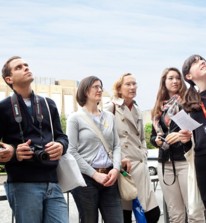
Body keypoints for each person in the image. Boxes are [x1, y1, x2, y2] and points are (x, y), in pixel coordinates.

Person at [0, 56, 69, 223]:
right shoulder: (3, 107)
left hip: (53, 182)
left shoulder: (49, 104)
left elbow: (62, 137)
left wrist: (60, 145)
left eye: (26, 65)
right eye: (19, 67)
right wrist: (14, 152)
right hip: (22, 184)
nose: (25, 68)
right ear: (9, 79)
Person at [150, 67, 205, 223]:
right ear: (164, 82)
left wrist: (182, 136)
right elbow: (153, 137)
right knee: (176, 215)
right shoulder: (158, 107)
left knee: (195, 212)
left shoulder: (190, 102)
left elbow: (198, 130)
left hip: (186, 161)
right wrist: (157, 140)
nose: (175, 81)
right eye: (170, 78)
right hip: (164, 163)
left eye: (178, 78)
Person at [67, 76, 125, 223]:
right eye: (95, 87)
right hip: (85, 180)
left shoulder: (110, 117)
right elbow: (71, 151)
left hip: (110, 177)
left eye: (101, 86)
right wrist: (94, 175)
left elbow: (117, 146)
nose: (100, 90)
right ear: (85, 91)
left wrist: (116, 169)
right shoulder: (75, 118)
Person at [104, 73, 160, 223]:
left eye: (134, 84)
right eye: (128, 84)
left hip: (140, 165)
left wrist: (143, 152)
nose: (132, 87)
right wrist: (118, 159)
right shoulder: (111, 107)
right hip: (124, 168)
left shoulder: (136, 108)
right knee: (125, 214)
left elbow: (141, 137)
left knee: (152, 213)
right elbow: (104, 138)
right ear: (119, 88)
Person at [181, 54, 206, 209]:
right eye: (195, 62)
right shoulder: (191, 104)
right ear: (189, 76)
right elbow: (192, 142)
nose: (202, 61)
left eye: (202, 59)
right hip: (203, 158)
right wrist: (185, 140)